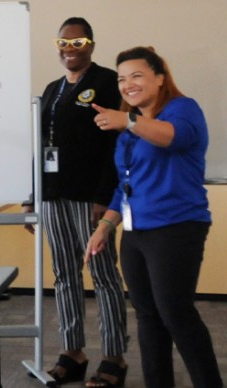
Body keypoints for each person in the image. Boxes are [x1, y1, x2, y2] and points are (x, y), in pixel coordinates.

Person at [88, 46, 220, 388]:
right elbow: (125, 184)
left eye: (136, 76)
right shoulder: (130, 129)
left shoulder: (182, 109)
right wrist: (105, 226)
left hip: (176, 227)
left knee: (176, 314)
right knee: (148, 317)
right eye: (121, 79)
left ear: (160, 79)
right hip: (135, 232)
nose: (127, 84)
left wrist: (128, 121)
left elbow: (171, 138)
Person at [22, 17, 128, 386]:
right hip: (53, 198)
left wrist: (104, 196)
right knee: (65, 276)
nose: (70, 48)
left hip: (91, 200)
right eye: (64, 42)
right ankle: (73, 351)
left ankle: (113, 357)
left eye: (78, 42)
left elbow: (116, 143)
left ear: (91, 46)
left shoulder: (105, 83)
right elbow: (41, 147)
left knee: (103, 276)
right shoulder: (52, 90)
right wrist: (30, 197)